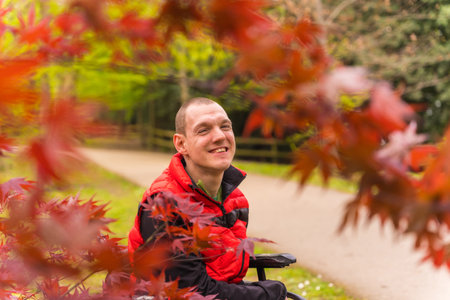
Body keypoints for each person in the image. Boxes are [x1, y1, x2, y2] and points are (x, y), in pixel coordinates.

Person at [128, 97, 287, 299]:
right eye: (203, 130)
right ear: (181, 144)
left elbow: (224, 270)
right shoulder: (164, 204)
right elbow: (191, 292)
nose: (220, 136)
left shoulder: (235, 199)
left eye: (225, 126)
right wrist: (265, 294)